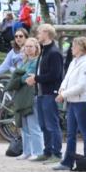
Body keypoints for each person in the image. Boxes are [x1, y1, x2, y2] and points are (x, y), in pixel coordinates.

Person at [53, 37, 86, 171]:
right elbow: (67, 77)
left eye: (74, 46)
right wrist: (62, 88)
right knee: (71, 133)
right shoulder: (74, 62)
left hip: (82, 101)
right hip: (72, 101)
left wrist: (64, 94)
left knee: (85, 132)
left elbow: (82, 86)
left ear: (82, 48)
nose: (72, 48)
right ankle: (68, 161)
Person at [26, 23, 64, 162]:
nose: (37, 35)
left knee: (52, 124)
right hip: (41, 93)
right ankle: (47, 151)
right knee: (43, 124)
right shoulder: (43, 50)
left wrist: (36, 78)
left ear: (47, 33)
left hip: (50, 92)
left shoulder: (54, 52)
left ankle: (57, 153)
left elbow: (55, 75)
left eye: (40, 32)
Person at [10, 37, 44, 160]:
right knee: (24, 126)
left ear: (36, 48)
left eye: (31, 46)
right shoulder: (24, 62)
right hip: (21, 97)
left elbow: (27, 78)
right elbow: (22, 77)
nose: (28, 49)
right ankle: (27, 151)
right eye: (26, 46)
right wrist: (21, 78)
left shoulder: (37, 62)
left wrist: (19, 79)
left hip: (31, 96)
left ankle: (38, 151)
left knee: (33, 125)